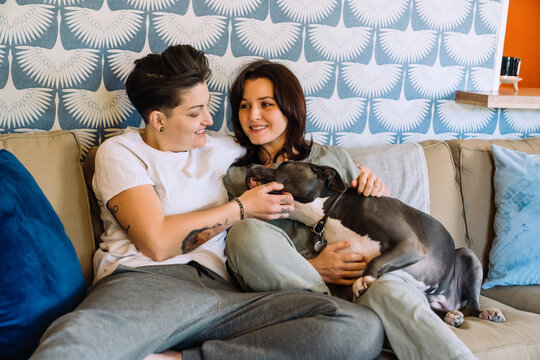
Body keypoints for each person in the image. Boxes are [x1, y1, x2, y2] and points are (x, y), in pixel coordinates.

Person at [30, 45, 385, 360]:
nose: (209, 120)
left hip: (228, 292)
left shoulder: (221, 148)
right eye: (196, 112)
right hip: (147, 284)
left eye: (209, 108)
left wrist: (357, 177)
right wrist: (241, 209)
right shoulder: (121, 153)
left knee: (358, 327)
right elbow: (156, 243)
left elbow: (287, 155)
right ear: (158, 119)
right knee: (71, 347)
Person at [223, 60, 477, 360]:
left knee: (389, 290)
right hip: (298, 289)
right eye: (243, 106)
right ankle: (341, 315)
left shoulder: (331, 159)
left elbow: (375, 216)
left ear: (290, 107)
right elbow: (249, 255)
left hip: (364, 282)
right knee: (244, 233)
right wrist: (314, 267)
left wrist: (375, 189)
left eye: (266, 104)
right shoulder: (238, 176)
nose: (252, 115)